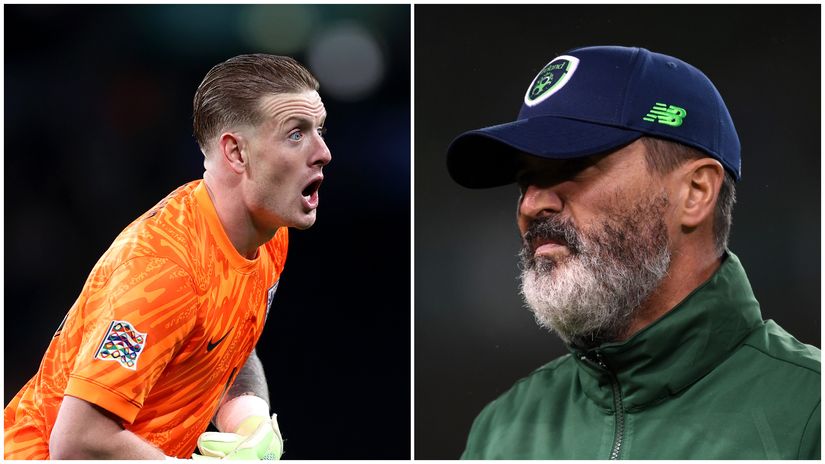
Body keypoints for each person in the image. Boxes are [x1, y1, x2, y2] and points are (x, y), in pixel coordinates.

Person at [446, 45, 820, 459]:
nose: (531, 205)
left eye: (572, 166)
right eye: (524, 180)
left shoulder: (810, 412)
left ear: (695, 193)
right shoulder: (502, 432)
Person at [4, 53, 331, 459]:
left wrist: (251, 422)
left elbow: (222, 344)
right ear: (236, 153)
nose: (323, 152)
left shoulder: (268, 236)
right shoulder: (164, 272)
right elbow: (76, 443)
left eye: (320, 130)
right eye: (296, 134)